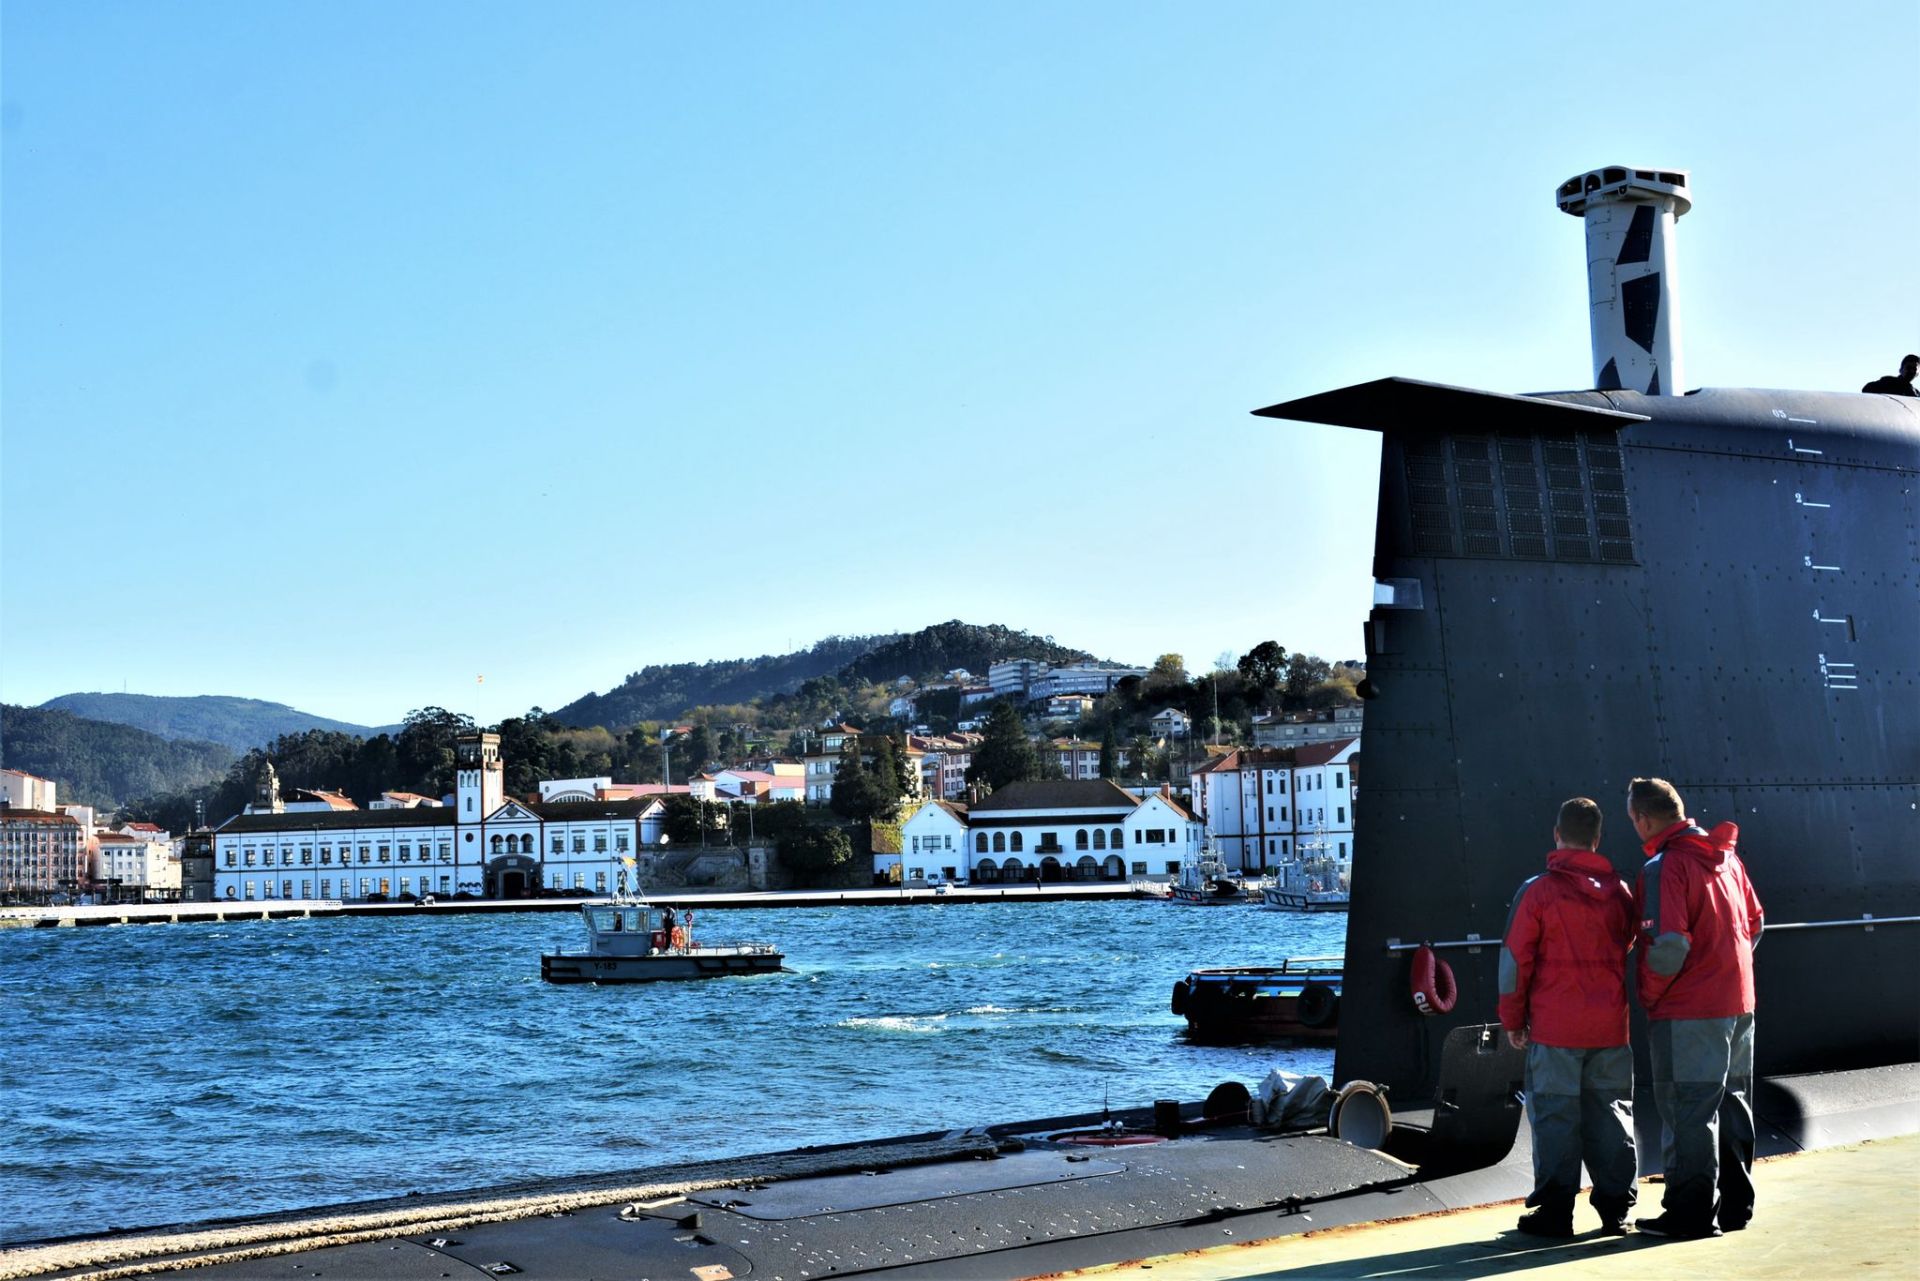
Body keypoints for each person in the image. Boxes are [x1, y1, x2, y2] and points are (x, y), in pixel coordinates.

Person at [1627, 778, 1764, 1239]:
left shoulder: (1664, 866)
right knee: (1732, 1103)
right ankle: (1736, 1208)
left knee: (1689, 1109)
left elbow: (1668, 946)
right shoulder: (1727, 859)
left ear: (1644, 819)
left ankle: (1689, 1214)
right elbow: (1755, 923)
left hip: (1687, 1011)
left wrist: (1650, 995)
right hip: (1738, 1003)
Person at [1497, 797, 1639, 1237]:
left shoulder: (1538, 891)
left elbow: (1515, 962)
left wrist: (1513, 1020)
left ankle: (1555, 1212)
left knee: (1556, 1118)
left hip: (1556, 1029)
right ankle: (1617, 1207)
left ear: (1557, 835)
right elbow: (1629, 942)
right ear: (1597, 840)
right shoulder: (1621, 893)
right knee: (1611, 1114)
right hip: (1610, 1027)